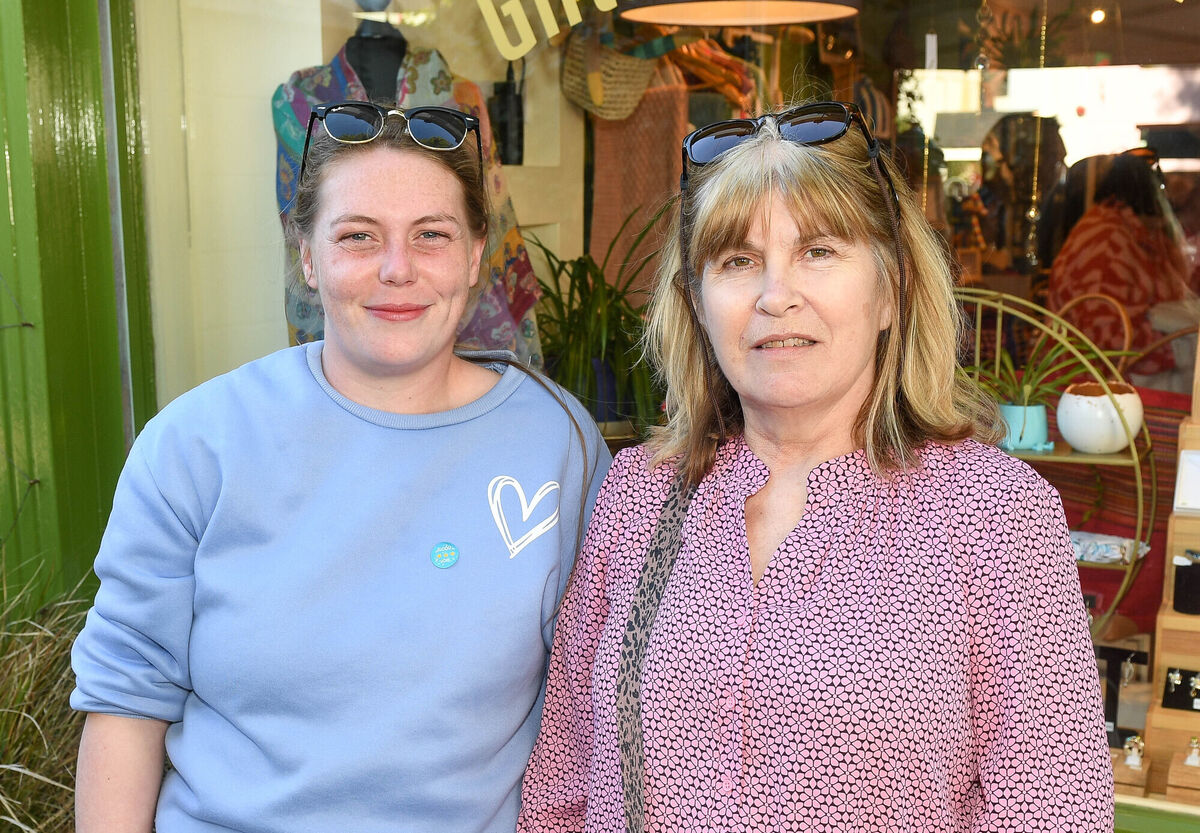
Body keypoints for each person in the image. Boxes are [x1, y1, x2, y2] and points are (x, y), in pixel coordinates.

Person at [518, 102, 1112, 832]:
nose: (776, 296)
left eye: (819, 251)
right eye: (738, 261)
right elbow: (563, 785)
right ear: (697, 305)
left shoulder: (994, 516)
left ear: (891, 289)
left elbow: (1055, 812)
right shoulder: (640, 492)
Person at [71, 101, 610, 833]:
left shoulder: (559, 444)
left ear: (477, 252)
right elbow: (126, 702)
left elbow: (593, 704)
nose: (397, 269)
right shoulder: (195, 446)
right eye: (358, 237)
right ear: (306, 254)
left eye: (433, 235)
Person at [1048, 149, 1196, 379]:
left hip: (1116, 384)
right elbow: (1105, 335)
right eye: (1160, 189)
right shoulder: (1106, 239)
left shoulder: (1132, 232)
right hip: (1092, 392)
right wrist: (1182, 348)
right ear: (1146, 193)